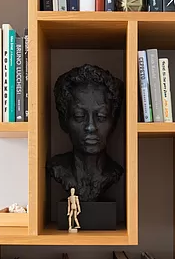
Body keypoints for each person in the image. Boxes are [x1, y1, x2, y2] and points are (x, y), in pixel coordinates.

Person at [47, 64, 124, 201]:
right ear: (63, 121)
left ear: (114, 121)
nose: (90, 127)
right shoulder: (58, 168)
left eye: (101, 117)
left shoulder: (114, 171)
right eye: (79, 116)